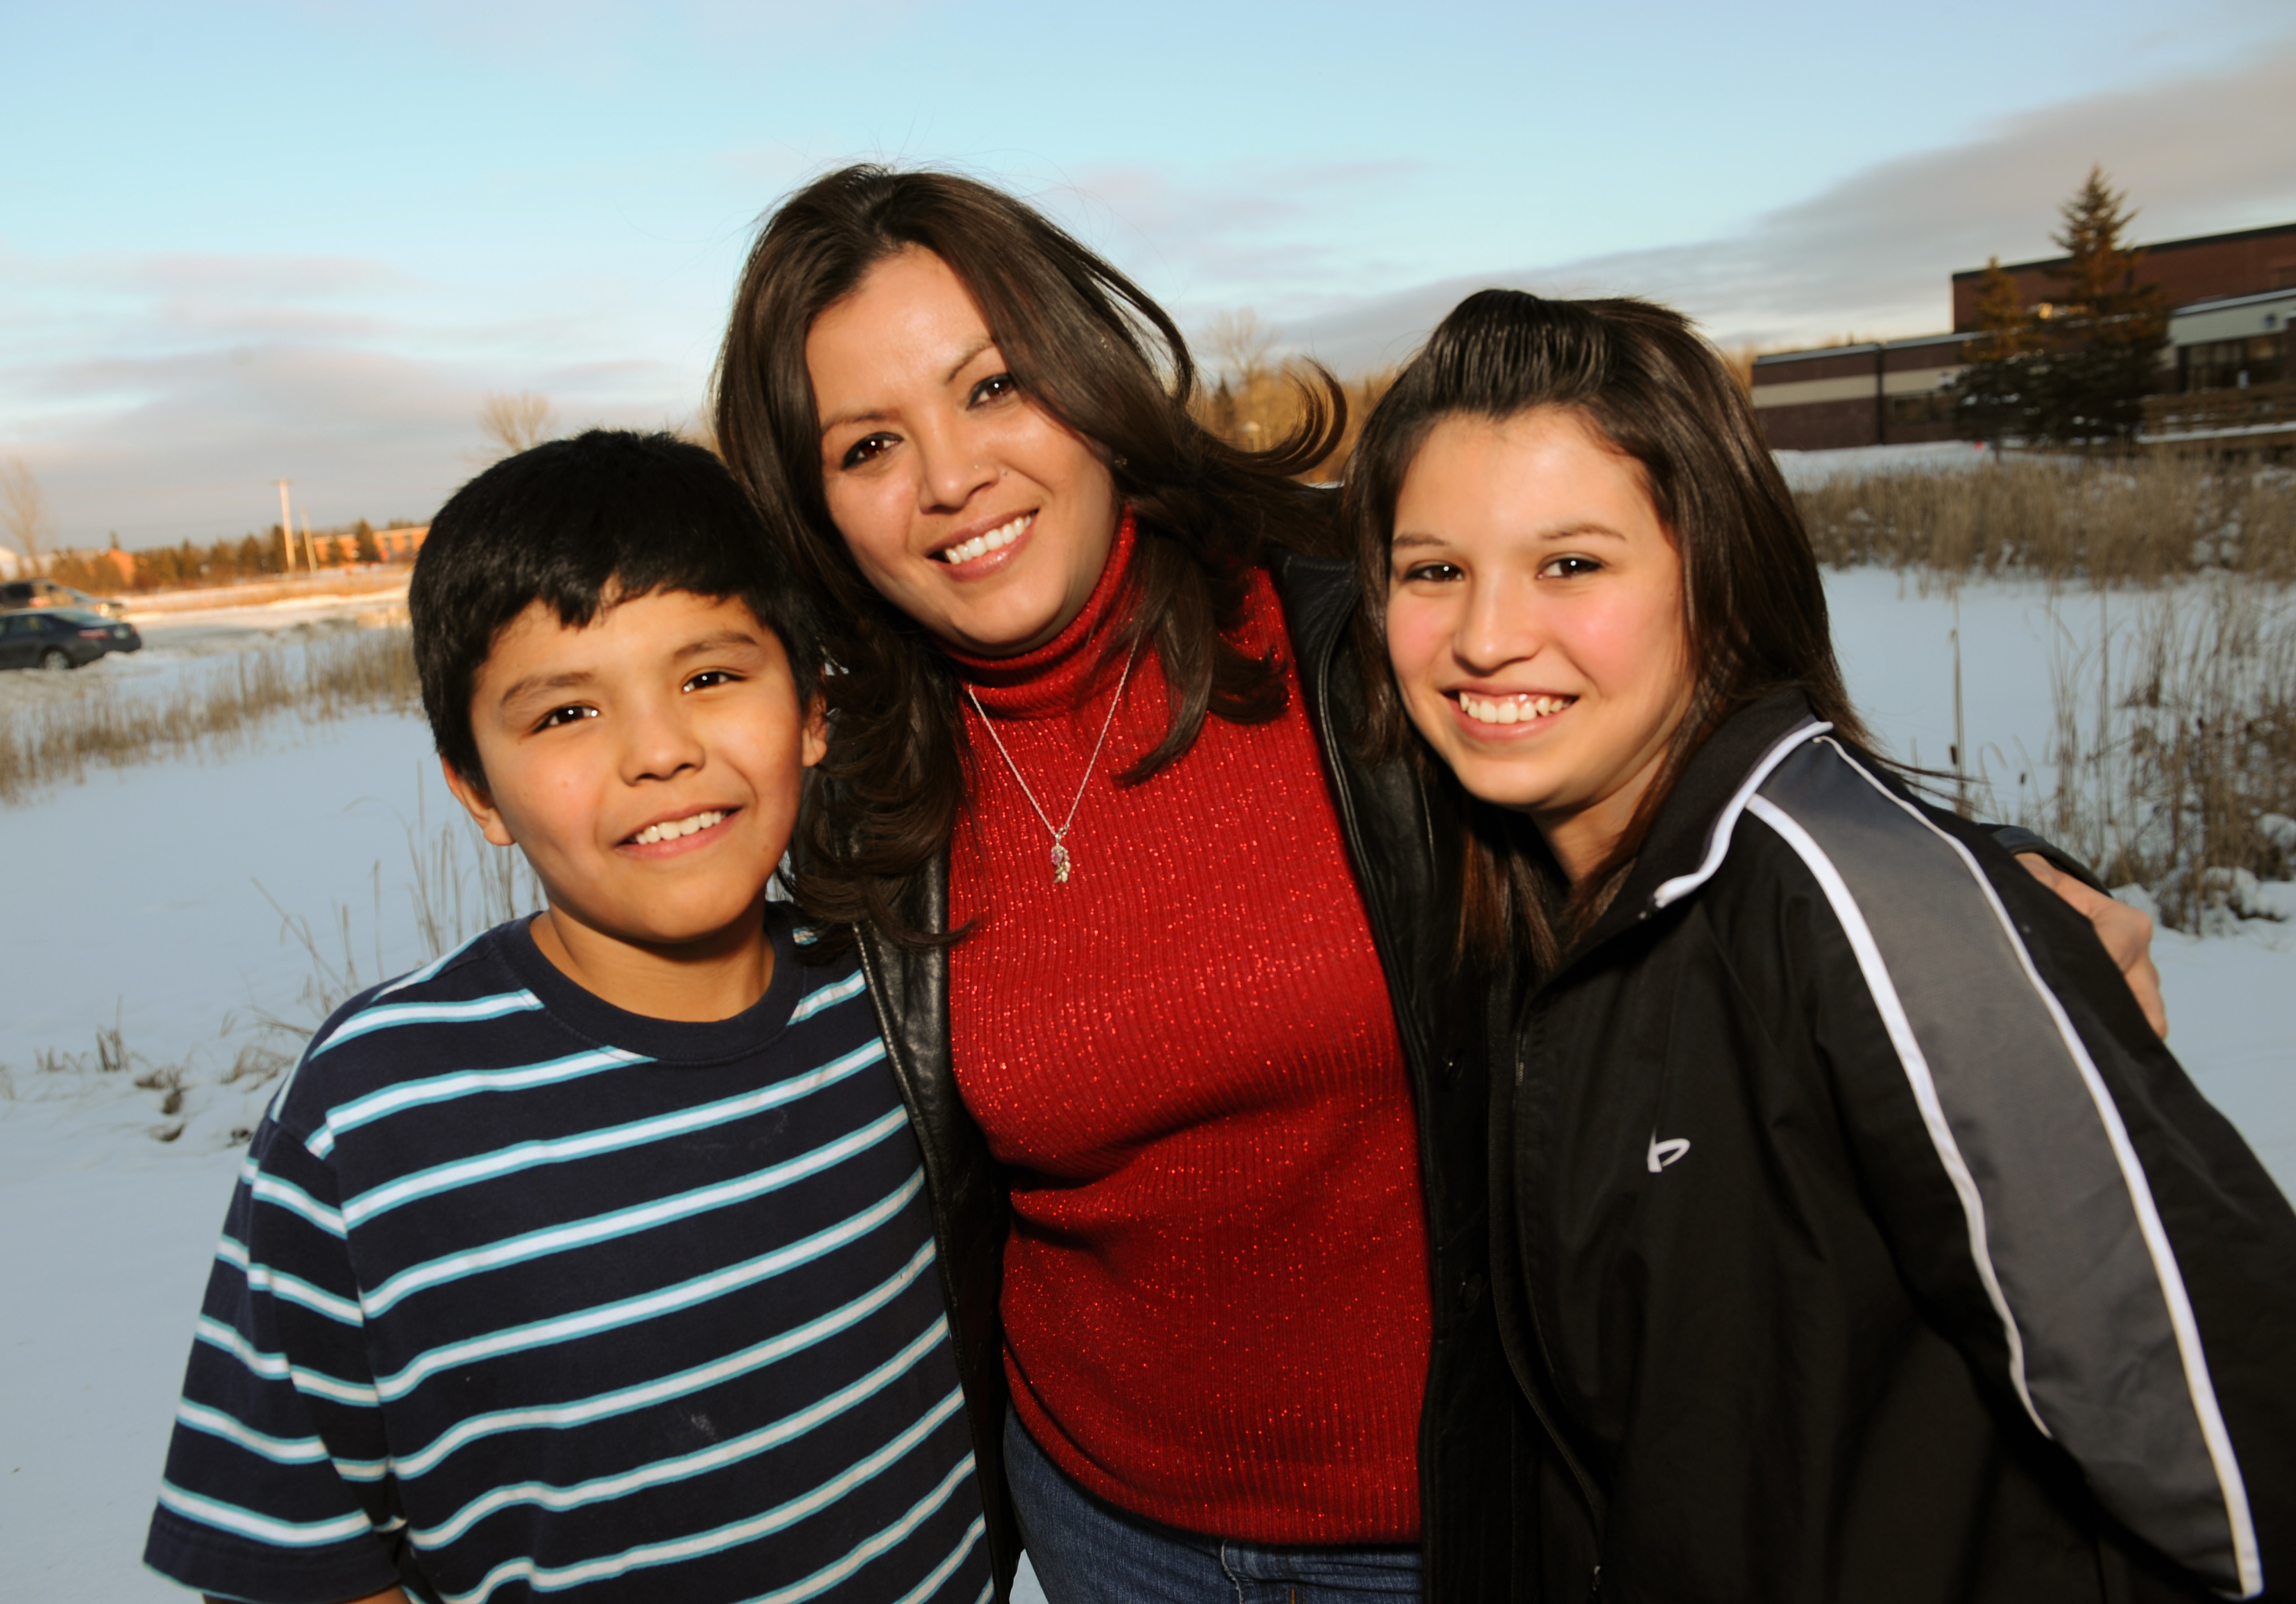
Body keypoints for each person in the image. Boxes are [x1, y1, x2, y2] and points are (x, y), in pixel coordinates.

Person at [710, 166, 2174, 1604]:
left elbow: (1697, 767)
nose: (950, 478)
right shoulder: (867, 798)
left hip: (1469, 1518)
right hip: (1108, 1530)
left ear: (1090, 379)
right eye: (866, 447)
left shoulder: (1373, 641)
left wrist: (1981, 902)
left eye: (990, 387)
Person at [1347, 288, 2296, 1602]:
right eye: (1432, 569)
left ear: (1714, 574)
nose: (1486, 635)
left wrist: (1979, 907)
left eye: (1572, 563)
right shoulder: (1530, 903)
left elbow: (2227, 1447)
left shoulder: (1872, 913)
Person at [142, 432, 993, 1604]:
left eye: (709, 676)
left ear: (809, 711)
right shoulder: (377, 1113)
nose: (659, 753)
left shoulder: (901, 1006)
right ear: (475, 789)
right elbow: (294, 1545)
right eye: (563, 716)